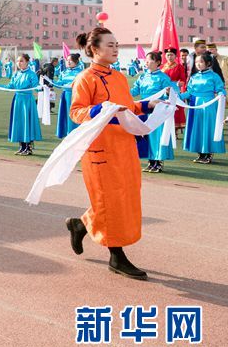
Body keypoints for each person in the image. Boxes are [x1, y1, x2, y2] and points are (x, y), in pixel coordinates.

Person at [65, 27, 162, 280]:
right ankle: (116, 256)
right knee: (110, 200)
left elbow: (128, 108)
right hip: (100, 149)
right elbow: (76, 112)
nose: (116, 48)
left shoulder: (119, 77)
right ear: (94, 49)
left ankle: (81, 224)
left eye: (117, 44)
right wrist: (98, 110)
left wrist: (148, 105)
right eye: (110, 45)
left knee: (125, 197)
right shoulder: (85, 78)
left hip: (124, 147)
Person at [130, 52, 178, 173]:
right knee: (145, 135)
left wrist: (168, 92)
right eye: (145, 60)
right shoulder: (142, 76)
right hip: (144, 109)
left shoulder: (163, 77)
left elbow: (172, 92)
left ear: (157, 63)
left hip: (157, 110)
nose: (146, 62)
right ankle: (151, 161)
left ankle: (158, 161)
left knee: (156, 134)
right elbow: (134, 91)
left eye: (149, 60)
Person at [182, 52, 227, 164]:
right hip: (195, 105)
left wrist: (221, 93)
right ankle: (201, 153)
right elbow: (189, 92)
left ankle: (208, 153)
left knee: (208, 128)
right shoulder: (194, 76)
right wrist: (175, 96)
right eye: (196, 62)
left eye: (201, 62)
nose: (198, 64)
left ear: (208, 63)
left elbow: (221, 89)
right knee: (197, 128)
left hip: (209, 105)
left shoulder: (214, 76)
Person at [3, 54, 41, 155]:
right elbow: (10, 86)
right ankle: (21, 146)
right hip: (17, 100)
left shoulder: (31, 74)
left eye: (21, 61)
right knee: (19, 122)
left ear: (27, 62)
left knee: (26, 122)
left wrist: (40, 88)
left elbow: (35, 85)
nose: (19, 63)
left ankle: (28, 147)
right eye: (18, 61)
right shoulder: (16, 74)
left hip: (27, 101)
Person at [54, 54, 84, 139]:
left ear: (76, 62)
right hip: (65, 96)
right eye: (67, 60)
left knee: (74, 115)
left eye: (70, 60)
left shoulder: (80, 72)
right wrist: (49, 81)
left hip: (75, 96)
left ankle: (76, 134)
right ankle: (67, 134)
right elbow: (59, 84)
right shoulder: (64, 72)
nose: (68, 62)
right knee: (66, 115)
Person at [161, 47, 187, 139]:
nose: (169, 57)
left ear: (175, 56)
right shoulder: (162, 67)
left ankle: (175, 131)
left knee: (175, 109)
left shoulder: (179, 66)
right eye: (168, 55)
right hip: (164, 90)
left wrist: (179, 84)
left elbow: (183, 79)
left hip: (174, 90)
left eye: (171, 55)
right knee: (165, 108)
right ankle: (166, 129)